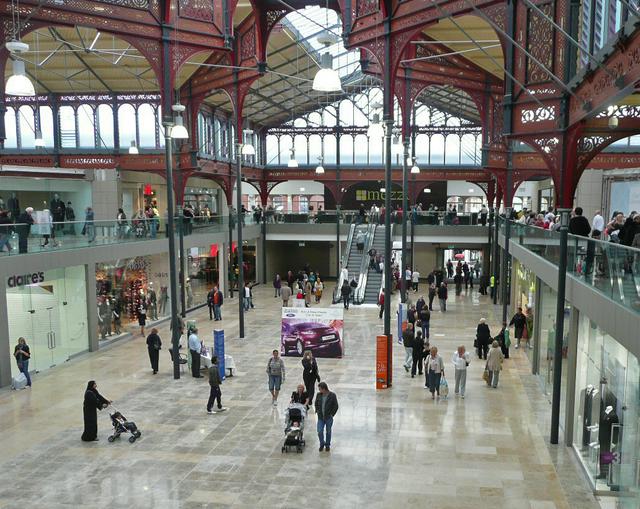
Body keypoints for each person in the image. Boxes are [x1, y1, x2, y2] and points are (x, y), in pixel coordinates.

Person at [315, 381, 339, 452]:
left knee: (328, 431)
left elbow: (336, 406)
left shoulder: (332, 395)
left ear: (324, 389)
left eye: (320, 389)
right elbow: (316, 403)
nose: (319, 390)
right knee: (319, 431)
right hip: (320, 417)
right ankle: (322, 443)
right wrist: (317, 410)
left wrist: (332, 414)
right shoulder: (318, 395)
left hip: (328, 417)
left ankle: (327, 445)